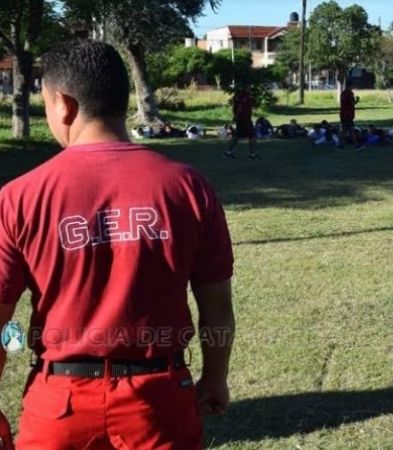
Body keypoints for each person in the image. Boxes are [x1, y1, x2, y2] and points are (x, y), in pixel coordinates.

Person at [0, 41, 235, 449]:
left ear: (64, 104)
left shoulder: (19, 197)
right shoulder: (188, 187)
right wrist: (215, 377)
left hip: (60, 404)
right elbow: (217, 306)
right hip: (159, 399)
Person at [224, 85, 258, 159]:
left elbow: (235, 107)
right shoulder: (244, 96)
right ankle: (252, 154)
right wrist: (237, 116)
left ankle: (228, 152)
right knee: (252, 136)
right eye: (248, 86)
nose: (250, 88)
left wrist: (236, 116)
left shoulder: (238, 95)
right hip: (244, 119)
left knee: (237, 136)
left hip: (241, 119)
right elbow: (240, 107)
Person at [340, 81, 360, 147]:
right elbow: (352, 103)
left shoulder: (342, 93)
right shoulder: (350, 93)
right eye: (353, 86)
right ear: (350, 86)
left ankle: (341, 145)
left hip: (343, 114)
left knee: (344, 130)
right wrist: (357, 100)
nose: (353, 87)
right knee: (351, 130)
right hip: (348, 114)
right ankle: (356, 145)